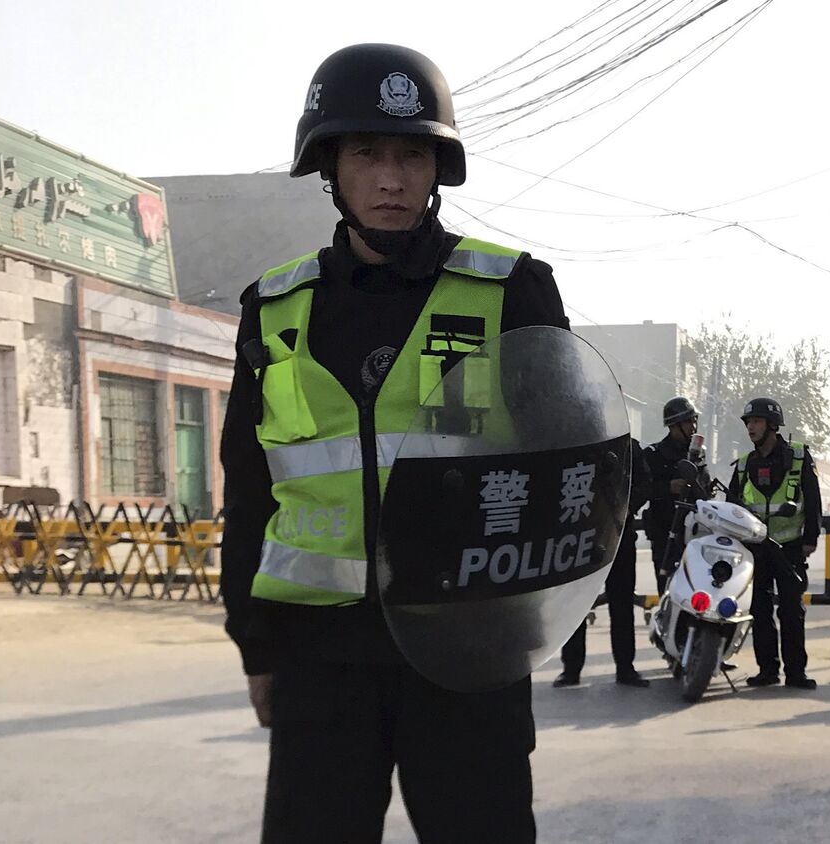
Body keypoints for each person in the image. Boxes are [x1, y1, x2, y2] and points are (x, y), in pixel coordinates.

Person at [219, 43, 568, 844]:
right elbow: (250, 492)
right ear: (329, 168)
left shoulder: (511, 289)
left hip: (467, 656)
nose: (390, 177)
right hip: (321, 663)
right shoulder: (273, 311)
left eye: (412, 154)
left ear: (438, 169)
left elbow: (567, 465)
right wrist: (256, 646)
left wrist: (529, 624)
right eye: (367, 153)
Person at [726, 397, 820, 690]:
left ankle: (796, 673)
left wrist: (810, 538)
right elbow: (731, 508)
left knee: (792, 611)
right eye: (748, 422)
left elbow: (813, 501)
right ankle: (767, 670)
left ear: (772, 425)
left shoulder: (799, 456)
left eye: (756, 421)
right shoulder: (743, 466)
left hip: (790, 548)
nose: (750, 427)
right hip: (756, 550)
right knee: (760, 611)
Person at [556, 437, 654, 688]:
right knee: (576, 603)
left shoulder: (629, 447)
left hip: (619, 535)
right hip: (582, 535)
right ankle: (571, 668)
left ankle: (625, 667)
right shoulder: (578, 444)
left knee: (621, 603)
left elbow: (645, 483)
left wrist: (626, 508)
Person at [643, 397, 707, 595]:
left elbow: (705, 491)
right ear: (674, 425)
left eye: (694, 420)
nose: (693, 426)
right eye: (688, 422)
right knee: (668, 592)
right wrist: (668, 487)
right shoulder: (654, 454)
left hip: (694, 535)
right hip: (664, 534)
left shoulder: (697, 455)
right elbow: (643, 490)